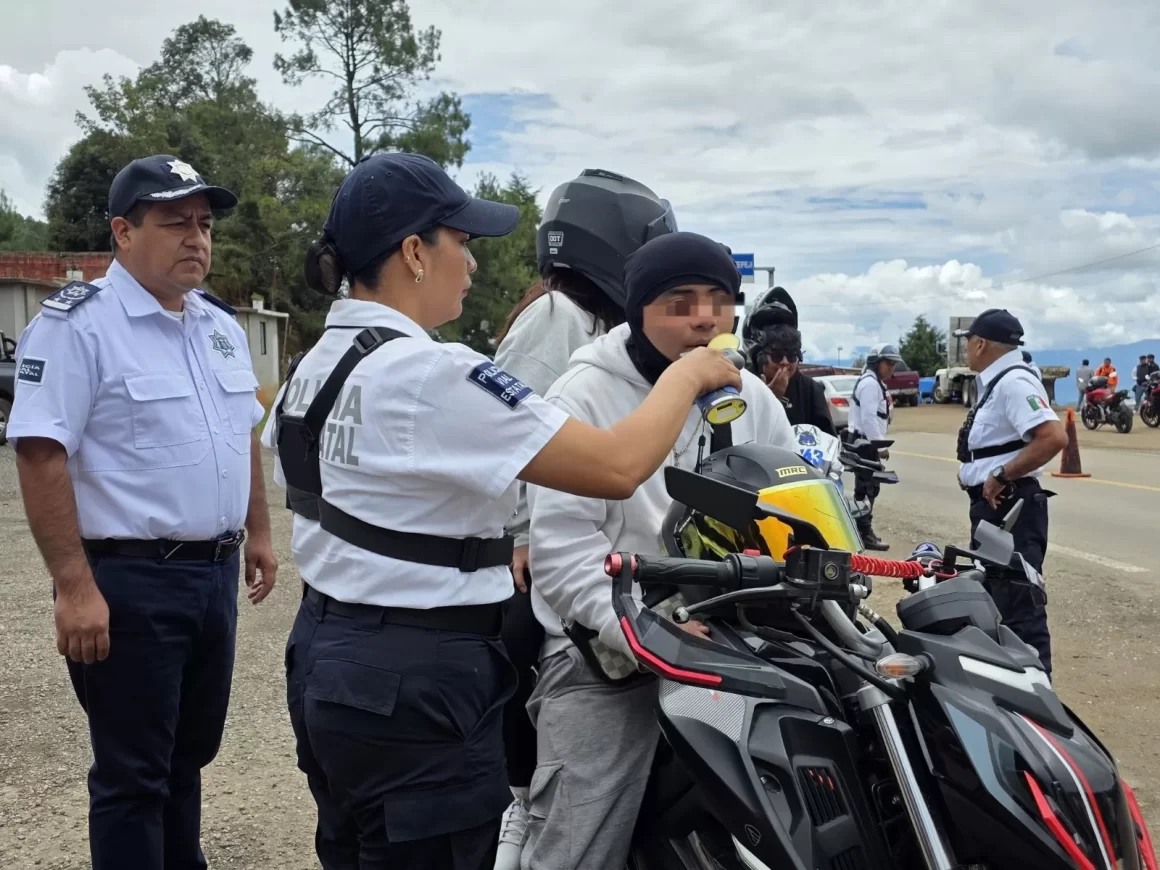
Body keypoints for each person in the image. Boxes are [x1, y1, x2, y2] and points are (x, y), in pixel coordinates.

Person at [259, 152, 741, 870]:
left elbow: (292, 466)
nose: (474, 265)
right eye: (463, 243)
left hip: (326, 652)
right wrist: (692, 374)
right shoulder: (431, 372)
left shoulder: (322, 364)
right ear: (416, 253)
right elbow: (615, 466)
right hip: (418, 680)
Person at [6, 154, 277, 869]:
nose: (197, 238)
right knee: (132, 775)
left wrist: (258, 530)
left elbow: (240, 428)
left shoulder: (216, 325)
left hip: (211, 577)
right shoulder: (79, 327)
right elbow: (39, 452)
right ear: (123, 233)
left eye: (205, 224)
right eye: (175, 222)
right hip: (130, 582)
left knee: (186, 757)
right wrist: (73, 584)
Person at [521, 231, 796, 870]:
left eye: (719, 301)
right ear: (637, 311)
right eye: (680, 302)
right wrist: (648, 633)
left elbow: (797, 495)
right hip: (607, 651)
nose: (704, 317)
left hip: (734, 634)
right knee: (578, 842)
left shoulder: (751, 397)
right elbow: (563, 559)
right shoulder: (583, 393)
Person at [489, 169, 676, 869]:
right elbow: (517, 435)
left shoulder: (589, 322)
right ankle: (519, 811)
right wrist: (523, 531)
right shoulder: (556, 319)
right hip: (527, 550)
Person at [953, 309, 1067, 676]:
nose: (967, 349)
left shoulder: (1013, 382)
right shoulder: (998, 381)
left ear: (982, 343)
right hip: (998, 511)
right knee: (998, 604)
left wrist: (1002, 474)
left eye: (968, 341)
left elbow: (1053, 437)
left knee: (1020, 607)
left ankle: (1039, 701)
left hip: (1011, 508)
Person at [742, 287, 837, 435]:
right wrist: (769, 400)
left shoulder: (810, 389)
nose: (785, 362)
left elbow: (829, 441)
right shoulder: (742, 385)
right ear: (758, 355)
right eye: (777, 356)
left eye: (792, 356)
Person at [847, 343, 902, 550]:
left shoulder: (874, 382)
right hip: (865, 444)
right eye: (888, 363)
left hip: (865, 443)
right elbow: (869, 418)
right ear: (876, 362)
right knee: (868, 488)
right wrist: (879, 447)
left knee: (867, 488)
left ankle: (860, 531)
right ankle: (863, 533)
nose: (892, 368)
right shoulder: (870, 384)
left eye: (893, 364)